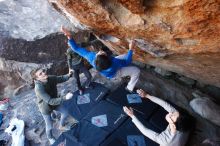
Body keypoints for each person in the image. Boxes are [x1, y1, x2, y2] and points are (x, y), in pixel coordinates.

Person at [61, 26, 140, 92]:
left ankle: (128, 60)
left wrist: (69, 36)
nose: (100, 51)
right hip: (115, 73)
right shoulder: (114, 62)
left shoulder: (92, 58)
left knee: (125, 56)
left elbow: (76, 48)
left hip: (109, 71)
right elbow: (127, 62)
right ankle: (129, 87)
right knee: (136, 70)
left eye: (99, 53)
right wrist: (131, 49)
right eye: (102, 53)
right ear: (108, 58)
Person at [123, 89, 193, 146]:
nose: (171, 113)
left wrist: (132, 116)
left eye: (172, 116)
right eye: (174, 113)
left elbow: (145, 130)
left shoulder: (164, 140)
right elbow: (165, 104)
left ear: (173, 125)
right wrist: (147, 95)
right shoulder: (181, 119)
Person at [31, 68, 77, 145]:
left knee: (65, 112)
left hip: (54, 101)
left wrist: (69, 74)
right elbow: (50, 101)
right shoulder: (38, 88)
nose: (43, 73)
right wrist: (65, 98)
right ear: (37, 79)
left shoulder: (50, 78)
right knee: (49, 126)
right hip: (45, 107)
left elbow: (61, 78)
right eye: (40, 74)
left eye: (43, 71)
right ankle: (50, 137)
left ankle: (61, 126)